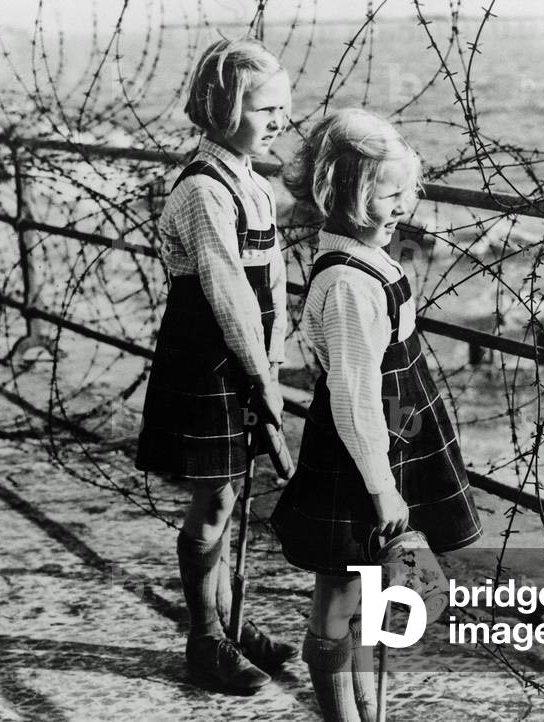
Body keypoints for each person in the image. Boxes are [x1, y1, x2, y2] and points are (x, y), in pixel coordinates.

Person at [271, 108, 482, 720]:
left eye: (405, 192)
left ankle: (368, 703)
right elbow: (355, 396)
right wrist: (385, 488)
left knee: (368, 581)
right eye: (389, 194)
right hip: (359, 454)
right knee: (338, 591)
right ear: (346, 196)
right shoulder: (348, 285)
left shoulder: (372, 263)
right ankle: (342, 710)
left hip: (388, 440)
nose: (403, 206)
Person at [136, 37, 295, 694]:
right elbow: (226, 288)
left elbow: (275, 284)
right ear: (225, 108)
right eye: (265, 109)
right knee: (214, 502)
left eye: (284, 108)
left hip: (247, 356)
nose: (279, 121)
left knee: (231, 497)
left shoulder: (253, 184)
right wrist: (259, 381)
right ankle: (205, 639)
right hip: (208, 358)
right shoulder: (204, 190)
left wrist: (275, 361)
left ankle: (230, 619)